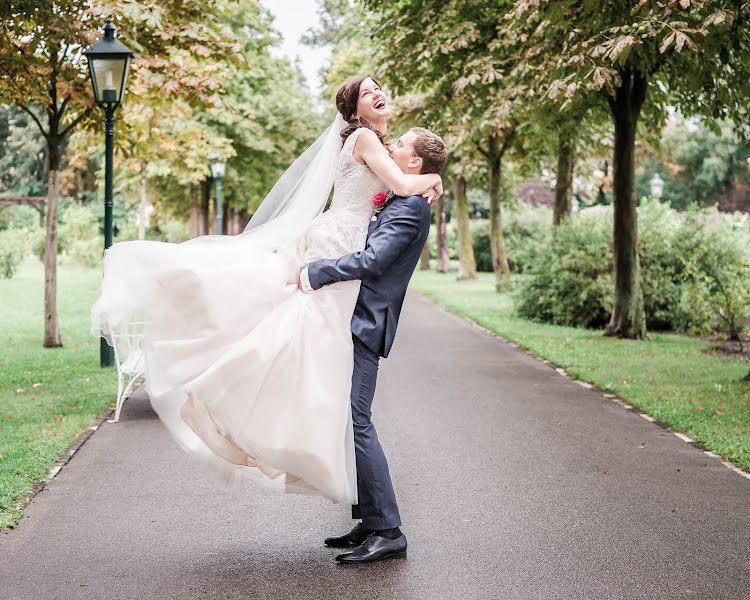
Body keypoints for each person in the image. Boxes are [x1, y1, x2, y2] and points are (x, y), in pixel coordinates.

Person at [90, 76, 443, 515]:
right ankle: (375, 520)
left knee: (314, 370)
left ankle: (376, 521)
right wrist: (433, 178)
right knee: (320, 374)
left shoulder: (379, 158)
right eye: (366, 91)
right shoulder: (369, 138)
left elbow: (395, 202)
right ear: (354, 112)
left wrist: (424, 176)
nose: (377, 93)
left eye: (379, 87)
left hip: (341, 254)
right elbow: (405, 186)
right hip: (338, 248)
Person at [300, 127, 448, 564]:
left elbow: (373, 260)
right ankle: (368, 519)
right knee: (351, 418)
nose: (392, 147)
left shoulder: (409, 209)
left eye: (400, 144)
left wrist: (317, 270)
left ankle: (388, 530)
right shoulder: (404, 197)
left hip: (367, 320)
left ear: (415, 163)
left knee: (358, 419)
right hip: (357, 314)